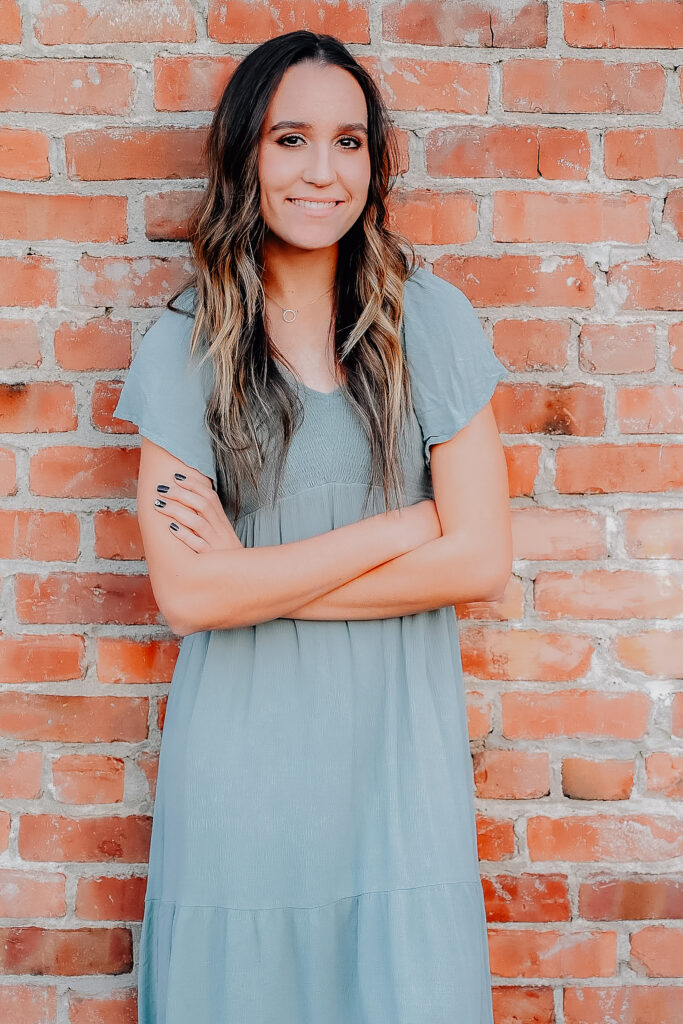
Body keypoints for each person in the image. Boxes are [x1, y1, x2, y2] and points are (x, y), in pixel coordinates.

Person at [113, 29, 512, 1024]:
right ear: (245, 152)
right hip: (241, 784)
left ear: (372, 165)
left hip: (396, 783)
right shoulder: (184, 343)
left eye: (347, 142)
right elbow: (192, 594)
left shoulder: (429, 320)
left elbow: (479, 558)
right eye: (290, 138)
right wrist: (403, 525)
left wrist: (261, 575)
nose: (320, 171)